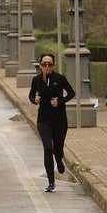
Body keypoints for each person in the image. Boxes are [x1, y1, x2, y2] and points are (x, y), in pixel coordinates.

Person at [28, 53, 76, 193]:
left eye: (49, 64)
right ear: (40, 65)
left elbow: (72, 93)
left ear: (53, 65)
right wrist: (34, 100)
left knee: (58, 148)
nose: (47, 66)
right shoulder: (36, 80)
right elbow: (31, 95)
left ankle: (59, 159)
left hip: (60, 119)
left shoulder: (60, 79)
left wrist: (60, 101)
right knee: (48, 148)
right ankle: (51, 182)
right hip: (44, 120)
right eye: (44, 64)